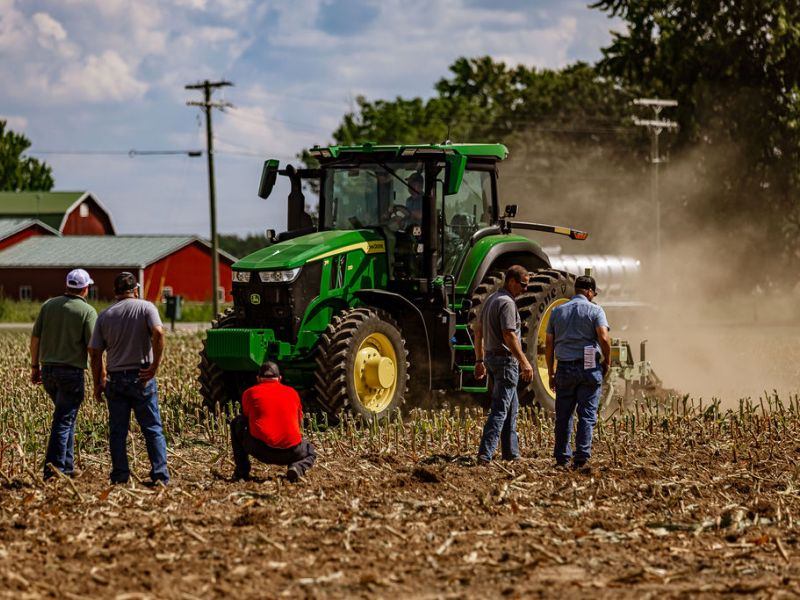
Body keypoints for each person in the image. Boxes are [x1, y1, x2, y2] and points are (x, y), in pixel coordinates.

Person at [89, 272, 169, 485]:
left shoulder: (105, 316)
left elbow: (95, 353)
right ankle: (160, 475)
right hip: (141, 377)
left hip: (115, 380)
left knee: (117, 432)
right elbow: (159, 333)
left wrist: (97, 382)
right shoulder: (146, 308)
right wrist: (154, 367)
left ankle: (120, 476)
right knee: (152, 428)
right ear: (136, 290)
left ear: (115, 292)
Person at [31, 269, 98, 480]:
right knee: (62, 420)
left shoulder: (48, 305)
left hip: (48, 371)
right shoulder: (87, 311)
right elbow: (93, 347)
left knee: (66, 418)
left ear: (67, 286)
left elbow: (35, 338)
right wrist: (100, 375)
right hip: (71, 372)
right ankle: (54, 471)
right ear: (85, 288)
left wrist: (35, 366)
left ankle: (67, 466)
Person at [545, 275, 611, 470]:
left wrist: (551, 372)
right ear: (589, 292)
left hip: (564, 365)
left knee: (563, 415)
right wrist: (607, 361)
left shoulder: (557, 311)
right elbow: (604, 338)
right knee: (587, 414)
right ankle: (581, 457)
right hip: (589, 364)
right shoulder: (595, 310)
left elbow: (549, 343)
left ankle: (562, 458)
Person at [473, 265, 534, 464]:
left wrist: (480, 360)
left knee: (511, 408)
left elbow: (478, 331)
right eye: (523, 285)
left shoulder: (490, 299)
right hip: (505, 362)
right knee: (500, 409)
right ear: (511, 281)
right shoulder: (507, 303)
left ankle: (511, 454)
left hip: (491, 359)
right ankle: (485, 454)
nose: (525, 290)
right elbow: (509, 335)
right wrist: (524, 362)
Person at [230, 361, 316, 482]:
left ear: (258, 379)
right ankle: (297, 467)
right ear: (279, 378)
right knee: (310, 450)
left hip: (261, 451)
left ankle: (242, 472)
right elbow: (298, 421)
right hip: (291, 452)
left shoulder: (249, 393)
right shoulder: (293, 393)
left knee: (237, 422)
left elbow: (247, 418)